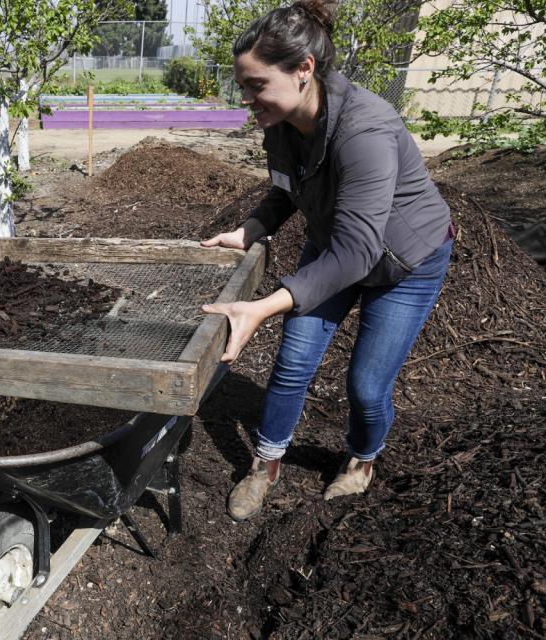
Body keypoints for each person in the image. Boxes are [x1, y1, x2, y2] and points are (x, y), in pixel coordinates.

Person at [200, 0, 453, 521]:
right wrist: (251, 229)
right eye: (243, 85)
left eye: (255, 85)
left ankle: (361, 461)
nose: (246, 99)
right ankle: (265, 464)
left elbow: (362, 251)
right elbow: (286, 189)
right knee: (293, 361)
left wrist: (265, 306)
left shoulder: (366, 130)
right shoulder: (282, 121)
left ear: (304, 69)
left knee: (365, 385)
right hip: (340, 242)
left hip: (405, 260)